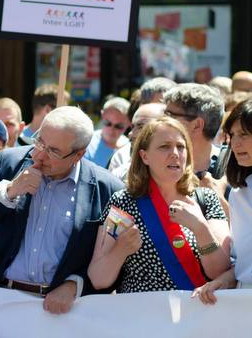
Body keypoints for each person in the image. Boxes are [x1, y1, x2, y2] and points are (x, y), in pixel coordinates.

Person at [0, 106, 123, 314]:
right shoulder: (10, 162)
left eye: (53, 151)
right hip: (1, 300)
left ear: (79, 154)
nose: (40, 155)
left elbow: (114, 262)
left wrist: (75, 285)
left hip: (63, 312)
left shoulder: (107, 189)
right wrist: (9, 191)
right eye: (40, 141)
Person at [88, 117, 231, 293]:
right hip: (141, 309)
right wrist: (120, 250)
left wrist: (201, 229)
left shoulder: (206, 200)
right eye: (164, 146)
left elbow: (221, 272)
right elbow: (98, 279)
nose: (175, 153)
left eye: (181, 147)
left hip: (196, 308)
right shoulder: (122, 203)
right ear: (144, 156)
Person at [193, 98, 252, 303]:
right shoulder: (240, 192)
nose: (235, 143)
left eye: (244, 134)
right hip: (243, 301)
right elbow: (244, 262)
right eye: (232, 135)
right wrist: (223, 280)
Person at [163, 84, 229, 214]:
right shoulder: (154, 160)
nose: (162, 120)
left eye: (170, 115)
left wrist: (219, 199)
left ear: (197, 125)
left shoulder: (237, 165)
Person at [108, 103, 166, 181]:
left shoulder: (177, 162)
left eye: (141, 127)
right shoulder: (121, 159)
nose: (130, 134)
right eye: (132, 127)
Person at [85, 97, 131, 168]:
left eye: (119, 126)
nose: (111, 129)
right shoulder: (86, 142)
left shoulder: (129, 147)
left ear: (129, 123)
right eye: (107, 123)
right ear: (102, 115)